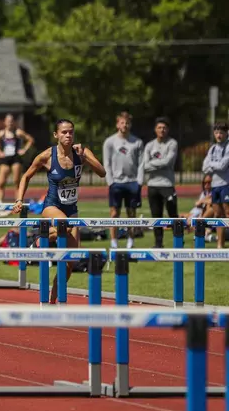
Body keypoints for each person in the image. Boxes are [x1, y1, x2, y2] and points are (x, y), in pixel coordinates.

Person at [13, 119, 106, 304]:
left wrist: (85, 158)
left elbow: (102, 173)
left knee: (71, 262)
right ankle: (42, 238)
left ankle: (52, 300)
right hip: (51, 207)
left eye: (71, 132)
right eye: (64, 132)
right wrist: (19, 200)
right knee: (64, 224)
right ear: (56, 135)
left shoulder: (82, 152)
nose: (68, 135)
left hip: (72, 210)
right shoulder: (47, 156)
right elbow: (26, 176)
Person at [103, 111, 145, 249]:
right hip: (116, 182)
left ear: (130, 125)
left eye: (127, 123)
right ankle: (114, 242)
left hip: (132, 182)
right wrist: (110, 181)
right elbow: (106, 163)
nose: (124, 125)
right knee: (114, 213)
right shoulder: (110, 142)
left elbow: (141, 163)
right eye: (122, 122)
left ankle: (130, 241)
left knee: (131, 213)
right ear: (117, 124)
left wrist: (139, 181)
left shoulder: (137, 142)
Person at [143, 117, 179, 248]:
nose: (162, 130)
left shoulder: (172, 143)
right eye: (159, 127)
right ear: (155, 129)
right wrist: (159, 164)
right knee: (156, 216)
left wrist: (153, 164)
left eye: (164, 127)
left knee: (173, 214)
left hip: (167, 184)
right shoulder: (149, 145)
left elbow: (168, 162)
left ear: (168, 129)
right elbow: (145, 166)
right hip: (152, 185)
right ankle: (158, 244)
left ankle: (178, 242)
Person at [0, 114, 34, 203]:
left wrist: (24, 150)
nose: (9, 123)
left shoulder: (18, 132)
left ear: (14, 122)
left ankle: (18, 202)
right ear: (4, 122)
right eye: (8, 121)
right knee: (1, 182)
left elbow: (30, 139)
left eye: (11, 121)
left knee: (16, 182)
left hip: (16, 159)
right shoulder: (1, 133)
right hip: (5, 159)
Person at [202, 121, 229, 248]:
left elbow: (223, 166)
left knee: (228, 213)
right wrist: (213, 165)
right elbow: (204, 167)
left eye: (221, 133)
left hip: (226, 184)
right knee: (218, 214)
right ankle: (220, 244)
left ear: (226, 133)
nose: (219, 135)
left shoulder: (228, 146)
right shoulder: (212, 148)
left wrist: (211, 165)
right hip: (215, 185)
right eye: (217, 132)